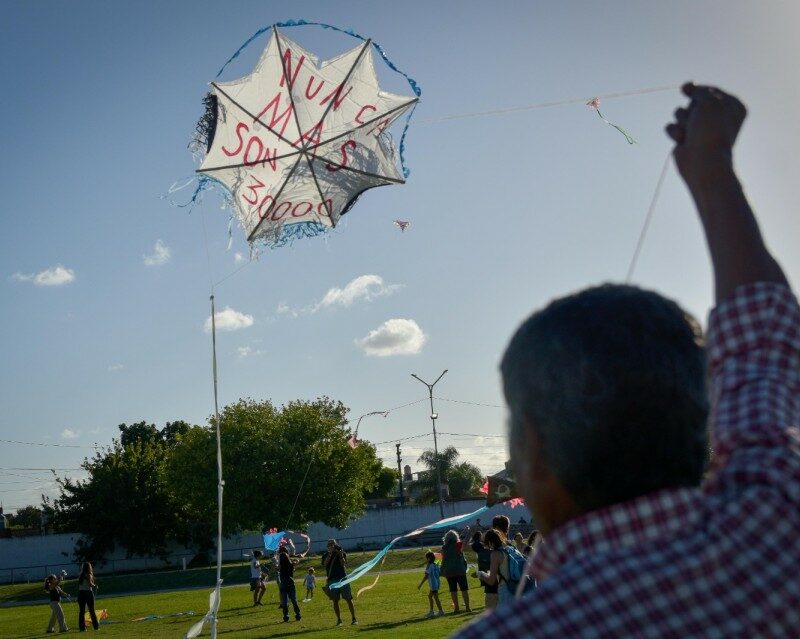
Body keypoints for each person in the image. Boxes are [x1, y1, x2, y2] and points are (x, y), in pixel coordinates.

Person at [455, 84, 800, 638]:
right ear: (703, 424)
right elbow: (762, 338)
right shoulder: (774, 518)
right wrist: (712, 169)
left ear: (535, 453)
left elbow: (763, 341)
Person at [476, 529, 515, 608]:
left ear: (490, 542)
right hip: (515, 587)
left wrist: (481, 574)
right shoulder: (508, 550)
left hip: (505, 589)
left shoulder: (495, 554)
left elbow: (491, 581)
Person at [323, 539, 357, 626]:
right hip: (332, 580)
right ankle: (339, 620)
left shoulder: (341, 553)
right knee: (335, 600)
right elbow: (325, 564)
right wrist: (330, 554)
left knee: (349, 599)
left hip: (343, 579)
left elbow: (343, 564)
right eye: (330, 545)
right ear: (327, 546)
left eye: (333, 545)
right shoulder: (325, 555)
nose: (332, 546)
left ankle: (354, 618)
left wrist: (340, 554)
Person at [440, 529, 471, 613]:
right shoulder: (458, 545)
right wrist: (470, 531)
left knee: (453, 590)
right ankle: (467, 607)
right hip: (460, 570)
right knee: (464, 589)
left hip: (449, 571)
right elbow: (466, 542)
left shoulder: (444, 548)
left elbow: (442, 559)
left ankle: (456, 608)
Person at [469, 530, 497, 609]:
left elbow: (464, 547)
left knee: (491, 603)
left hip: (492, 581)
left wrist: (479, 574)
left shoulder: (488, 552)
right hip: (494, 581)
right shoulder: (493, 551)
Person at [417, 551, 445, 617]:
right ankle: (432, 611)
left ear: (428, 558)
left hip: (433, 584)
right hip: (437, 583)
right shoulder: (436, 564)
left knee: (436, 597)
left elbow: (426, 575)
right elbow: (440, 573)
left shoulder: (430, 566)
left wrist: (420, 584)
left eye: (426, 558)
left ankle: (440, 611)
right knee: (430, 596)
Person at [277, 546, 301, 622]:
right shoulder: (291, 565)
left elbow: (276, 568)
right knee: (294, 600)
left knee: (284, 601)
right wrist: (296, 557)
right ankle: (298, 615)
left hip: (283, 584)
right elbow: (297, 561)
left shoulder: (280, 566)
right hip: (290, 583)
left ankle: (286, 616)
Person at [77, 562, 99, 631]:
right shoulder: (89, 575)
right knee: (91, 610)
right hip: (88, 593)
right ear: (89, 567)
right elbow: (90, 584)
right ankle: (96, 627)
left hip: (80, 593)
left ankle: (82, 628)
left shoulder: (81, 575)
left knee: (82, 611)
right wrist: (95, 586)